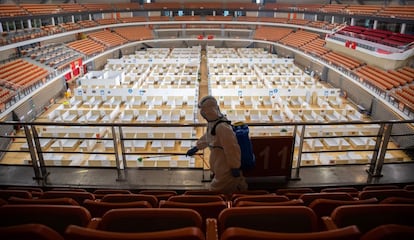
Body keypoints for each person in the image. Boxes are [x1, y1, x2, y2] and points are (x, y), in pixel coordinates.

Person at [186, 95, 248, 195]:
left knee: (216, 191)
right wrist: (197, 147)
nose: (202, 114)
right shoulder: (214, 123)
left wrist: (234, 166)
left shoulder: (222, 127)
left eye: (203, 111)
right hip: (219, 164)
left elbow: (232, 148)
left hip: (226, 167)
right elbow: (209, 137)